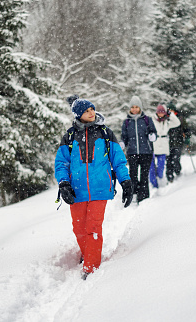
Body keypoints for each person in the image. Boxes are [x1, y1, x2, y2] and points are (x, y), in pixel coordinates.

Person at [55, 98, 133, 280]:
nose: (92, 112)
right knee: (79, 229)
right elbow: (61, 163)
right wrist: (64, 183)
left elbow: (119, 160)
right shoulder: (69, 136)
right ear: (78, 115)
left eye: (92, 109)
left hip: (100, 189)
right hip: (77, 190)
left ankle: (91, 266)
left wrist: (126, 181)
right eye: (87, 110)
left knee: (93, 228)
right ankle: (88, 253)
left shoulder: (105, 134)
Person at [120, 96, 157, 203]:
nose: (134, 109)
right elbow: (124, 136)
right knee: (133, 175)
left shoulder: (147, 120)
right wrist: (122, 143)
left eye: (136, 107)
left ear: (140, 108)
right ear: (130, 108)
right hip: (132, 152)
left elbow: (153, 131)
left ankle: (144, 196)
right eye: (132, 107)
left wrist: (152, 136)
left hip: (146, 152)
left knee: (144, 175)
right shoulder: (127, 122)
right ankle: (134, 193)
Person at [150, 104, 180, 188]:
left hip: (163, 145)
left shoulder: (167, 122)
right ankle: (153, 185)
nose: (160, 114)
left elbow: (177, 123)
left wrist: (171, 114)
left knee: (161, 167)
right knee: (151, 168)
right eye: (159, 112)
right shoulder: (152, 120)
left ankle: (160, 180)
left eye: (162, 112)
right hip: (153, 145)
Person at [166, 102, 191, 182]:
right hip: (168, 143)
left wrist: (187, 137)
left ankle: (177, 171)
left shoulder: (180, 118)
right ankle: (169, 176)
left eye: (171, 110)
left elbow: (186, 129)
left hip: (178, 141)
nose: (170, 111)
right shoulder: (166, 118)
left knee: (176, 159)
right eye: (168, 110)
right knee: (169, 160)